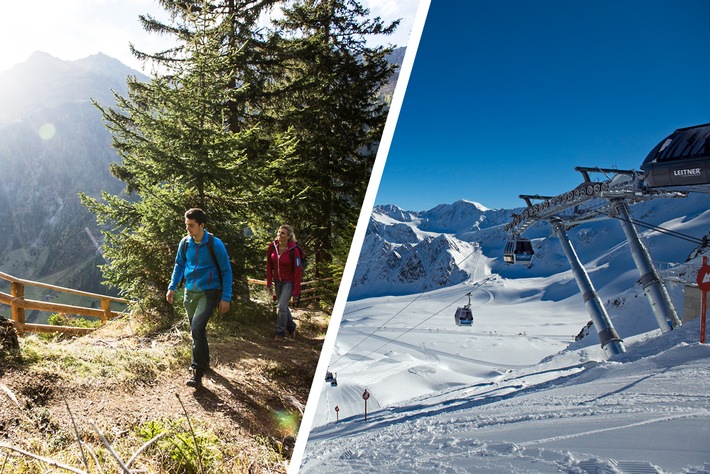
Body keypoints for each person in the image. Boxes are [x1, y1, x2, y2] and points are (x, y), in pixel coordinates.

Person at [166, 208, 232, 388]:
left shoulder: (215, 244)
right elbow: (179, 265)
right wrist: (172, 287)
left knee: (196, 328)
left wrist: (226, 297)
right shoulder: (185, 243)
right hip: (189, 292)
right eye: (186, 225)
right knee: (197, 331)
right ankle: (205, 362)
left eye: (192, 225)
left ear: (202, 225)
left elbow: (226, 271)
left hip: (209, 293)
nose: (188, 229)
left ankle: (196, 372)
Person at [266, 225, 303, 340]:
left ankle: (280, 332)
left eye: (282, 233)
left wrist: (296, 291)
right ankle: (291, 327)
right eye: (278, 232)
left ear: (288, 236)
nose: (279, 234)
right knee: (283, 306)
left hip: (289, 282)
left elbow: (298, 271)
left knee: (281, 306)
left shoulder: (294, 250)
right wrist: (269, 282)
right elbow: (269, 265)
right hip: (278, 281)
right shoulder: (272, 247)